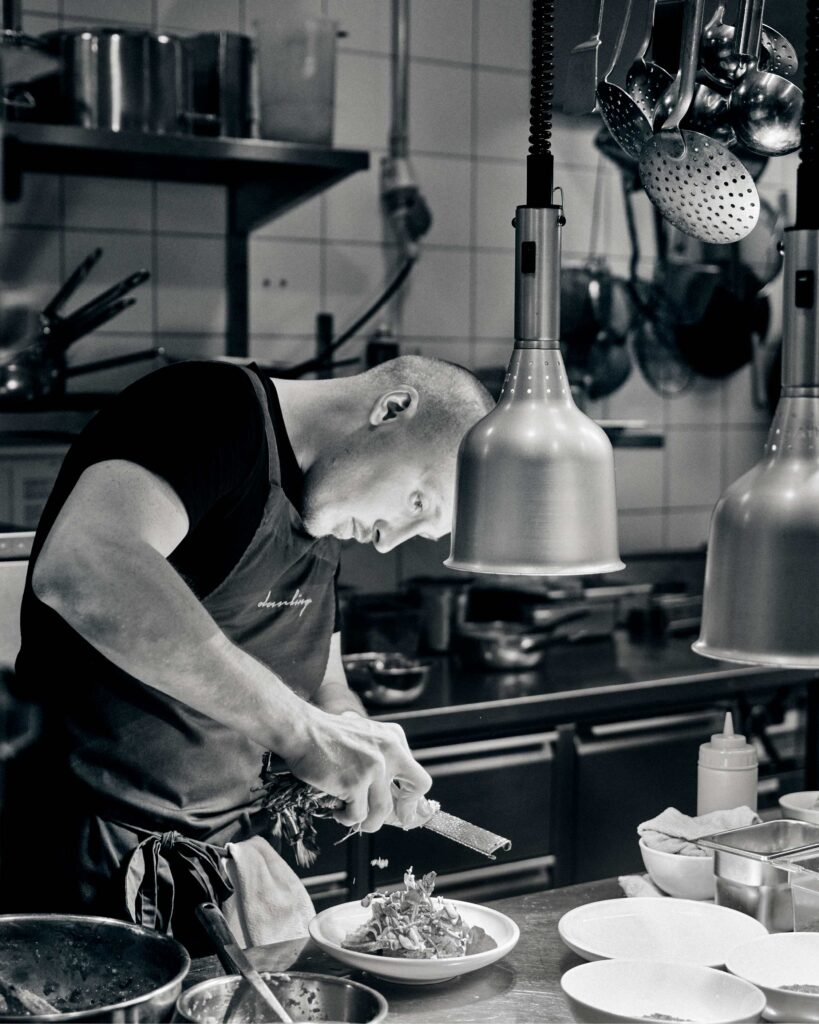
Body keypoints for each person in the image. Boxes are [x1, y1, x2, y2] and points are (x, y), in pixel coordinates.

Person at [5, 354, 493, 948]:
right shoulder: (209, 409)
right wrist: (304, 734)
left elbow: (323, 685)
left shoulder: (324, 516)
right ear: (392, 409)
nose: (391, 541)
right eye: (417, 503)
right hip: (82, 871)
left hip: (222, 876)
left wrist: (353, 742)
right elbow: (82, 566)